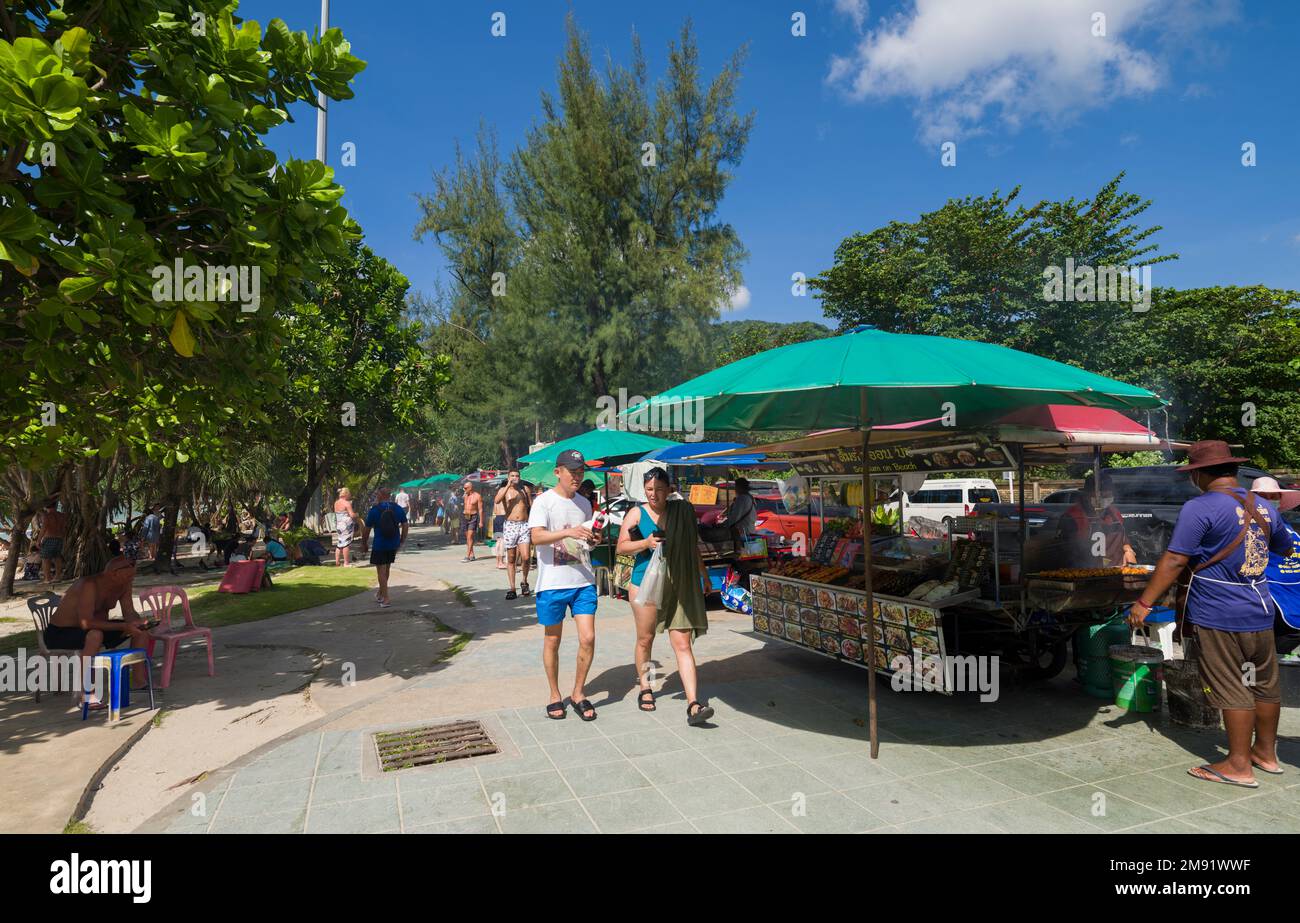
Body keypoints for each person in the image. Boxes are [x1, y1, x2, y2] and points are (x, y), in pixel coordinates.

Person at [1129, 441, 1292, 787]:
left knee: (1232, 685)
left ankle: (1237, 765)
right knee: (1263, 685)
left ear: (1200, 474)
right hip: (1261, 610)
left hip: (1219, 613)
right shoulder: (1264, 506)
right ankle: (1265, 753)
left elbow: (1175, 559)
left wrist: (1144, 603)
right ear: (1232, 470)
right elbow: (1285, 546)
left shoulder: (1199, 507)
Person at [617, 467, 714, 725]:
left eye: (659, 490)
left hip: (678, 584)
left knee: (683, 644)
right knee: (645, 639)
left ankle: (693, 703)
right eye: (649, 490)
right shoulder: (636, 513)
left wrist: (703, 576)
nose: (654, 495)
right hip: (644, 584)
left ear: (669, 489)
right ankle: (645, 688)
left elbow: (692, 545)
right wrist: (645, 543)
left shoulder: (680, 511)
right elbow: (621, 547)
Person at [528, 449, 600, 721]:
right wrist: (569, 531)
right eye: (573, 472)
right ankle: (554, 694)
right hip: (552, 583)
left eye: (581, 472)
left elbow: (583, 541)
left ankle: (578, 693)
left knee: (588, 637)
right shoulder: (543, 502)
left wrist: (591, 540)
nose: (578, 477)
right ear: (558, 472)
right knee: (553, 640)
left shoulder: (584, 503)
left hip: (582, 579)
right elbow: (535, 537)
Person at [45, 556, 152, 706]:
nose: (132, 579)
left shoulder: (124, 584)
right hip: (60, 632)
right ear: (113, 574)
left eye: (133, 575)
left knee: (141, 632)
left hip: (96, 627)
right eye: (129, 575)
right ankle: (87, 694)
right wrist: (123, 626)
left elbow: (129, 612)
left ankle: (138, 681)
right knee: (95, 635)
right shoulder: (89, 585)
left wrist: (138, 622)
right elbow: (85, 623)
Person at [1250, 476, 1300, 637]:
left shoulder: (1285, 525)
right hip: (1269, 594)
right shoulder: (1249, 525)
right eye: (1263, 496)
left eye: (1273, 497)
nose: (1269, 500)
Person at [1058, 474, 1137, 567]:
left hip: (1115, 569)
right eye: (1101, 495)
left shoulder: (1114, 512)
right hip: (1085, 572)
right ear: (1087, 495)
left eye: (1108, 495)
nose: (1105, 498)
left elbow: (1124, 538)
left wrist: (1128, 550)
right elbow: (1066, 552)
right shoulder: (1072, 516)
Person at [364, 488, 407, 608]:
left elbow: (366, 529)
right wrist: (402, 540)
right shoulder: (397, 508)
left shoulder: (374, 510)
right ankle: (380, 593)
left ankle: (386, 598)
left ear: (381, 495)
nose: (376, 495)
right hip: (393, 543)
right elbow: (405, 524)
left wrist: (364, 543)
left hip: (380, 544)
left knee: (381, 572)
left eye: (377, 493)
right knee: (386, 568)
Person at [495, 470, 533, 600]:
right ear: (508, 477)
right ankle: (512, 588)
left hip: (524, 524)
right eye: (512, 476)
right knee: (511, 558)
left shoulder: (524, 489)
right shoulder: (503, 490)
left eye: (517, 476)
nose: (515, 478)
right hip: (511, 525)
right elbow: (497, 501)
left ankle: (524, 581)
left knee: (526, 557)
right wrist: (507, 486)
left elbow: (531, 506)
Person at [34, 498, 67, 584]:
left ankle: (47, 578)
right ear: (55, 505)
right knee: (57, 557)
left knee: (45, 559)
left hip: (49, 538)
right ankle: (57, 577)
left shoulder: (47, 516)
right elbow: (64, 528)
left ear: (46, 506)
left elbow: (43, 529)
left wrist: (38, 540)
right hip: (59, 538)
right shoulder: (62, 516)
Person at [333, 487, 358, 567]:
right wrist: (357, 514)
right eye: (349, 493)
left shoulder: (336, 503)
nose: (350, 495)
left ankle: (337, 562)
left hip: (339, 525)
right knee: (346, 544)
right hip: (346, 525)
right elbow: (352, 515)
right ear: (346, 494)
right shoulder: (347, 503)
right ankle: (346, 563)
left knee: (340, 543)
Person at [461, 480, 482, 563]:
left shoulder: (477, 496)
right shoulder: (465, 495)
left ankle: (467, 556)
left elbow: (480, 509)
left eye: (465, 488)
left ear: (471, 488)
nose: (464, 489)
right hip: (465, 516)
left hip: (473, 516)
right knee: (468, 538)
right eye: (464, 487)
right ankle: (472, 554)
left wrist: (481, 521)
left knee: (470, 537)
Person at [492, 487, 508, 570]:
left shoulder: (496, 497)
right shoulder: (504, 496)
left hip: (496, 518)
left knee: (498, 541)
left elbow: (494, 510)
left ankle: (498, 562)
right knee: (501, 541)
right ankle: (501, 562)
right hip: (502, 517)